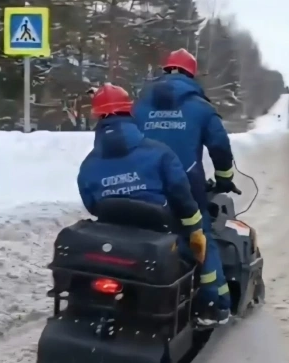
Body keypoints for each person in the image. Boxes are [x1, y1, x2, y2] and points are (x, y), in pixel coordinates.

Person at [77, 84, 226, 325]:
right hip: (161, 236)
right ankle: (209, 306)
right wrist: (194, 228)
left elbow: (92, 204)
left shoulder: (89, 165)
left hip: (115, 241)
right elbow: (182, 196)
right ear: (130, 111)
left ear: (97, 117)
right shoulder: (160, 153)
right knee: (202, 246)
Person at [131, 48, 236, 325]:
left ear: (165, 70)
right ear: (191, 74)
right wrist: (224, 177)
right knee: (200, 237)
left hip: (140, 184)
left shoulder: (139, 106)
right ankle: (214, 305)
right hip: (185, 189)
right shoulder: (201, 108)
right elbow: (220, 147)